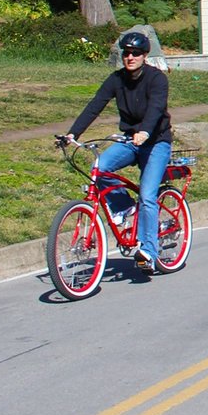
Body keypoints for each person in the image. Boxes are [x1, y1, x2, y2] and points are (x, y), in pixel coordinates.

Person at [62, 31, 172, 273]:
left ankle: (149, 252)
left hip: (155, 142)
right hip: (130, 141)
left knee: (147, 194)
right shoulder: (116, 79)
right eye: (126, 53)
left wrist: (144, 132)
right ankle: (123, 205)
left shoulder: (157, 79)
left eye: (135, 53)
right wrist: (73, 134)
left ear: (145, 56)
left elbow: (155, 109)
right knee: (99, 169)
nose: (130, 57)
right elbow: (95, 105)